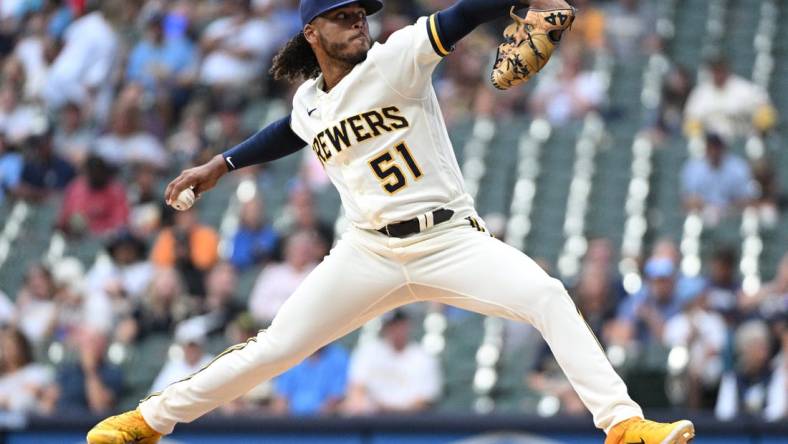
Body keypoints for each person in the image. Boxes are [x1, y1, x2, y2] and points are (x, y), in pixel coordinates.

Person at [88, 2, 694, 444]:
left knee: (547, 295)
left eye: (361, 14)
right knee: (275, 347)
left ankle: (623, 424)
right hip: (367, 254)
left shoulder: (396, 58)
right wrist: (222, 162)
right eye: (343, 15)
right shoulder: (310, 101)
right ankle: (149, 420)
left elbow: (463, 15)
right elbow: (289, 131)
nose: (359, 22)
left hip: (448, 239)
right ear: (311, 31)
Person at [344, 310, 440, 414]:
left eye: (400, 324)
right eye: (393, 325)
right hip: (371, 421)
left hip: (408, 423)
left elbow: (424, 402)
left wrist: (390, 410)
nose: (397, 329)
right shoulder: (368, 351)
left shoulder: (423, 357)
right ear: (386, 327)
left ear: (408, 326)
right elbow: (356, 389)